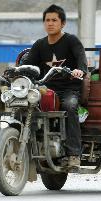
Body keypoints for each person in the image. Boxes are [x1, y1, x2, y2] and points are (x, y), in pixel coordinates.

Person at [22, 4, 88, 168]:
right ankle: (27, 147)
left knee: (70, 106)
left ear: (63, 23)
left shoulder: (71, 40)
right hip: (46, 89)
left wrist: (80, 70)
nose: (50, 23)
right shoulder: (39, 44)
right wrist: (18, 71)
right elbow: (29, 64)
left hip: (69, 89)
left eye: (54, 20)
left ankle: (73, 155)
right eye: (47, 20)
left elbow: (81, 58)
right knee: (24, 106)